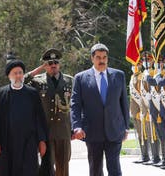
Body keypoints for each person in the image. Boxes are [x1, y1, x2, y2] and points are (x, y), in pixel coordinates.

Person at [70, 43, 129, 176]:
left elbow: (124, 102)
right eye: (98, 57)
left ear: (107, 58)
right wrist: (77, 126)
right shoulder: (80, 78)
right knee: (95, 169)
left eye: (104, 57)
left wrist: (126, 126)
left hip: (114, 130)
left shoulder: (119, 75)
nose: (101, 60)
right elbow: (75, 104)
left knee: (115, 169)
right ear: (92, 58)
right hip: (92, 131)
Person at [0, 60, 48, 176]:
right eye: (15, 73)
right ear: (9, 76)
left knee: (29, 171)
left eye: (20, 73)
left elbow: (39, 118)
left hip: (28, 142)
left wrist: (42, 140)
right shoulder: (1, 93)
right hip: (7, 142)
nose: (18, 76)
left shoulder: (32, 93)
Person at [24, 48, 74, 176]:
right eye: (49, 63)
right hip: (46, 131)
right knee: (46, 168)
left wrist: (74, 128)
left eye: (56, 62)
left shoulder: (69, 80)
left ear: (59, 64)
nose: (53, 66)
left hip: (64, 131)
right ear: (45, 65)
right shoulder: (37, 81)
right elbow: (20, 82)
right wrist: (38, 70)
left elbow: (75, 105)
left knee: (63, 167)